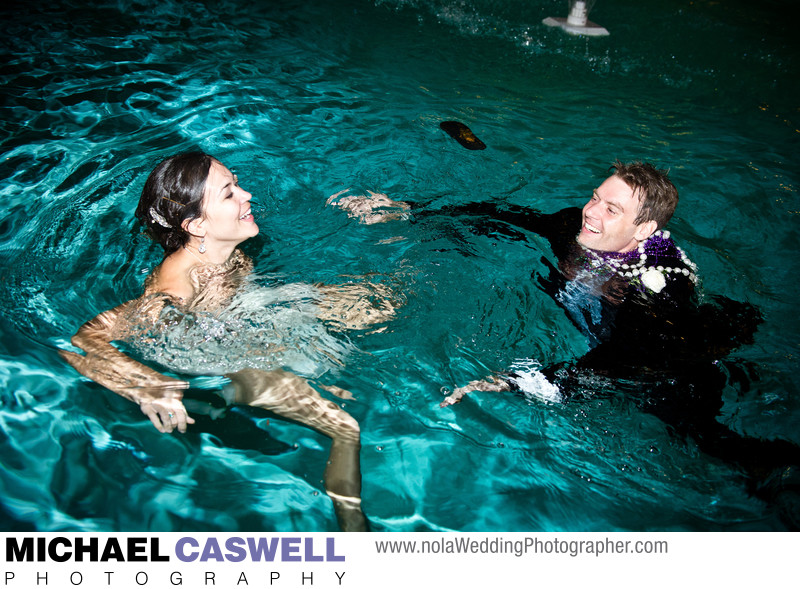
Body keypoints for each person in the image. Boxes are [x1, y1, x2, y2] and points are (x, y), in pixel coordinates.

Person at [330, 161, 800, 528]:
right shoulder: (574, 229)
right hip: (626, 348)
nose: (590, 212)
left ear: (644, 231)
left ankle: (775, 469)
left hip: (671, 363)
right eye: (595, 198)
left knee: (704, 437)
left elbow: (629, 362)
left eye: (610, 209)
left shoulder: (658, 289)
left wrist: (519, 381)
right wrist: (411, 210)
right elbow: (503, 216)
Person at [61, 151, 394, 532]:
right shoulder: (177, 287)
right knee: (345, 427)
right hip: (227, 359)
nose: (247, 194)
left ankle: (302, 377)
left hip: (247, 319)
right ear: (197, 225)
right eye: (229, 193)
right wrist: (144, 384)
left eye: (237, 184)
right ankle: (352, 524)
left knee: (379, 301)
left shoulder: (225, 251)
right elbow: (82, 339)